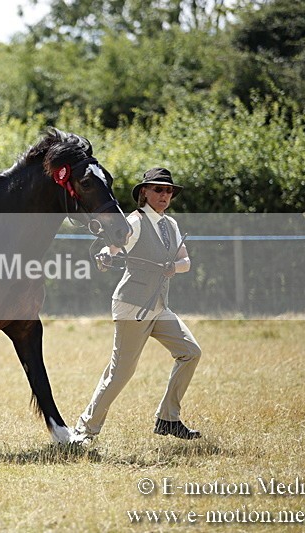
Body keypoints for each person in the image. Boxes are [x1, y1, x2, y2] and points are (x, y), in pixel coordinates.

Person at [75, 167, 202, 444]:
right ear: (144, 192)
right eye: (158, 189)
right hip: (132, 306)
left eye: (168, 190)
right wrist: (105, 256)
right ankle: (85, 431)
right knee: (120, 373)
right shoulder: (135, 222)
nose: (164, 195)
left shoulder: (171, 226)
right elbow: (114, 248)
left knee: (190, 352)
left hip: (158, 306)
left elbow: (186, 261)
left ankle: (168, 419)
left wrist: (174, 268)